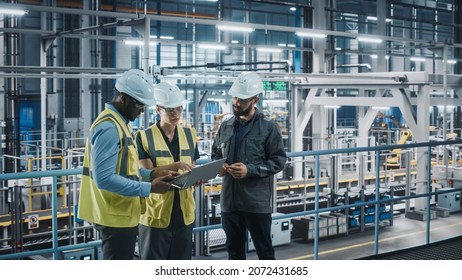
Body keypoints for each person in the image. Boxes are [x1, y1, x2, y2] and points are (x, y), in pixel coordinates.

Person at [77, 69, 174, 260]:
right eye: (139, 104)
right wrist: (149, 188)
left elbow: (124, 168)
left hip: (121, 213)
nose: (142, 110)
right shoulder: (109, 127)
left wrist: (151, 175)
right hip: (115, 217)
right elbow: (104, 179)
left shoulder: (121, 124)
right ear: (123, 98)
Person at [211, 72, 287, 260]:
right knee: (234, 254)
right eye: (235, 97)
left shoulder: (268, 127)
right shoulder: (226, 125)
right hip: (229, 202)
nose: (236, 102)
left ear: (255, 99)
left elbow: (278, 161)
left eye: (242, 99)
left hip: (255, 203)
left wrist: (249, 170)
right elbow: (216, 154)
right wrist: (217, 167)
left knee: (265, 253)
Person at [136, 81, 199, 260]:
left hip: (184, 214)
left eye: (178, 109)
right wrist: (176, 166)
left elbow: (192, 166)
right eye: (170, 110)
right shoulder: (143, 136)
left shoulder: (189, 134)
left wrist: (197, 177)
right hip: (156, 214)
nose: (176, 114)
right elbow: (146, 172)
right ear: (158, 109)